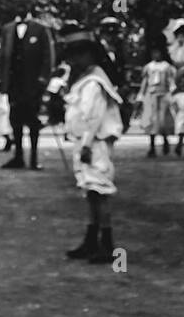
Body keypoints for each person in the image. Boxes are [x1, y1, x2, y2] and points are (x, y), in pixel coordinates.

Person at [59, 24, 124, 264]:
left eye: (80, 53)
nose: (76, 59)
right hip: (85, 142)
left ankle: (107, 243)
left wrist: (86, 144)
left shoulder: (95, 82)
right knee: (90, 190)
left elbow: (93, 117)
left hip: (94, 143)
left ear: (91, 54)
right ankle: (91, 238)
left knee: (100, 189)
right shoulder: (84, 79)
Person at [0, 0, 55, 171]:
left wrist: (43, 79)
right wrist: (0, 78)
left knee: (33, 121)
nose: (21, 9)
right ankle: (18, 156)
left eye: (24, 5)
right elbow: (2, 56)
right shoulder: (7, 29)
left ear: (31, 7)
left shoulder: (40, 29)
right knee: (15, 120)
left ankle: (34, 158)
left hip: (32, 84)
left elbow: (48, 57)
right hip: (14, 83)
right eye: (18, 6)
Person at [137, 42, 177, 156]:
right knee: (151, 120)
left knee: (162, 120)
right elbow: (145, 82)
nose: (156, 55)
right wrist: (141, 95)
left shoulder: (166, 67)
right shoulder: (149, 67)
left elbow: (170, 81)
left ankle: (165, 141)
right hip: (151, 95)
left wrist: (172, 91)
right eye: (154, 53)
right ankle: (152, 146)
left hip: (163, 94)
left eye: (158, 52)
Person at [97, 18, 130, 131]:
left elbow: (123, 67)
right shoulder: (97, 50)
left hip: (116, 84)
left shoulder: (119, 49)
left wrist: (123, 83)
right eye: (108, 34)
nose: (111, 37)